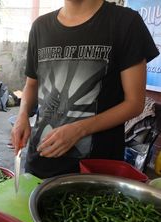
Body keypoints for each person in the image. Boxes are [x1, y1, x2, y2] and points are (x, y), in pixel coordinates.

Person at [11, 0, 159, 178]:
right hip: (41, 160)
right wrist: (22, 115)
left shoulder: (125, 22)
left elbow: (134, 103)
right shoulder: (40, 27)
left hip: (96, 169)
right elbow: (32, 84)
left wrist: (79, 129)